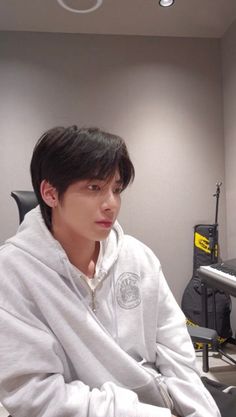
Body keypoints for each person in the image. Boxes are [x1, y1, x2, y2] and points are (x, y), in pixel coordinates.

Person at [0, 126, 220, 417]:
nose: (111, 204)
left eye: (116, 189)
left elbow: (176, 351)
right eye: (94, 188)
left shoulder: (138, 257)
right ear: (50, 193)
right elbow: (34, 394)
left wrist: (197, 410)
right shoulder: (14, 273)